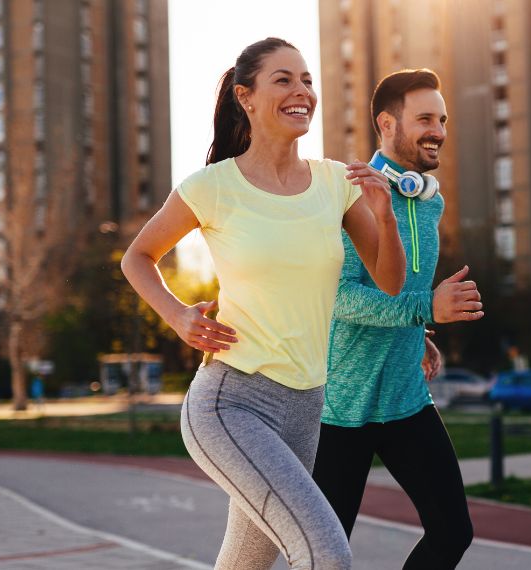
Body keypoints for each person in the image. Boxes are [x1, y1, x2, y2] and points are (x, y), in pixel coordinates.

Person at [121, 38, 405, 570]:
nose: (302, 92)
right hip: (232, 403)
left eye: (307, 80)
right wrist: (178, 315)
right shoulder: (211, 187)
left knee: (245, 565)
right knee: (325, 554)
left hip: (305, 409)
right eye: (284, 80)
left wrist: (384, 216)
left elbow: (389, 282)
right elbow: (138, 256)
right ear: (245, 97)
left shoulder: (335, 183)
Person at [312, 68, 482, 569]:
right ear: (387, 123)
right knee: (326, 553)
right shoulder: (348, 196)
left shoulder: (430, 202)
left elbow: (399, 288)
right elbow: (339, 299)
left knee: (452, 533)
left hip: (407, 399)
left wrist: (418, 329)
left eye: (443, 119)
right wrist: (424, 308)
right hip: (341, 408)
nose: (439, 130)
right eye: (425, 118)